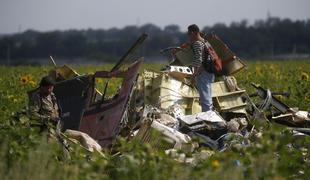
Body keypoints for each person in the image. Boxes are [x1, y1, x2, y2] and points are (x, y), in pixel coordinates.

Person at [187, 24, 215, 111]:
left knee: (205, 100)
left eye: (189, 34)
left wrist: (194, 75)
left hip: (203, 73)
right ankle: (210, 117)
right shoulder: (205, 41)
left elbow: (198, 60)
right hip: (210, 71)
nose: (188, 36)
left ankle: (208, 120)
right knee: (208, 97)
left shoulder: (197, 43)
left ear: (193, 33)